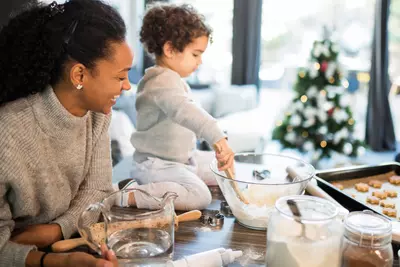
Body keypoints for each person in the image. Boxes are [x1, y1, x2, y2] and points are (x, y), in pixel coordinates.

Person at [0, 0, 133, 266]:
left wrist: (57, 229)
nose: (127, 86)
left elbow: (98, 189)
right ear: (80, 75)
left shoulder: (98, 116)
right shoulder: (8, 132)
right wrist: (60, 262)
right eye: (120, 77)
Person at [127, 3, 235, 211]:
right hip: (155, 165)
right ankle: (129, 195)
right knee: (200, 196)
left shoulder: (173, 80)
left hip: (180, 162)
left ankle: (183, 179)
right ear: (169, 49)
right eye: (195, 54)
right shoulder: (160, 81)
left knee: (221, 169)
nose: (200, 61)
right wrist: (217, 136)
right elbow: (185, 111)